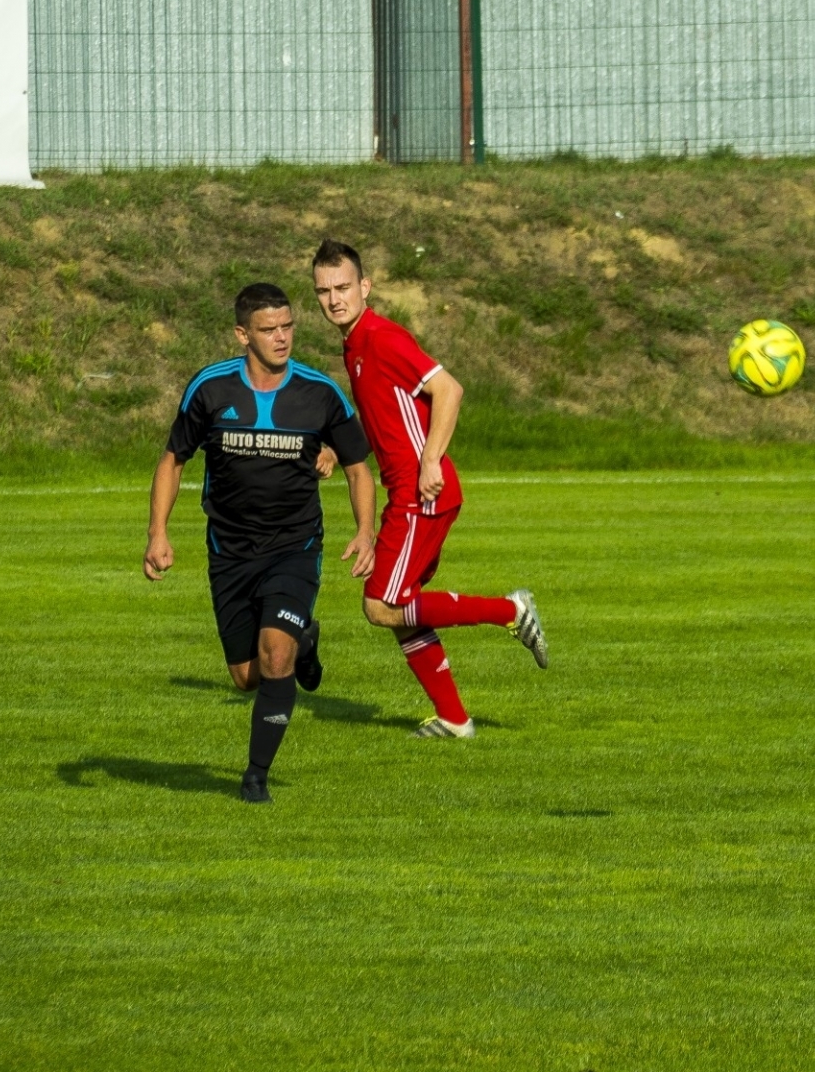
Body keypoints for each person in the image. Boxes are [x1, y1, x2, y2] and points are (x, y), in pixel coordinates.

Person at [145, 283, 376, 803]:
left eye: (288, 326)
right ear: (242, 333)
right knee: (247, 676)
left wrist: (365, 532)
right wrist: (158, 532)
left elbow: (359, 468)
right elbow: (172, 461)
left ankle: (255, 777)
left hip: (294, 547)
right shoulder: (209, 388)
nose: (282, 337)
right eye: (269, 329)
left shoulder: (320, 393)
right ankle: (306, 639)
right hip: (229, 551)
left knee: (275, 657)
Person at [309, 239, 547, 740]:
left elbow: (449, 389)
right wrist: (340, 450)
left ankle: (511, 610)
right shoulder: (354, 345)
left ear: (365, 287)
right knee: (402, 610)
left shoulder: (381, 337)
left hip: (423, 495)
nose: (334, 299)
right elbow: (387, 419)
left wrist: (432, 459)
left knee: (380, 605)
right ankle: (455, 720)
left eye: (343, 287)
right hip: (412, 494)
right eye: (324, 291)